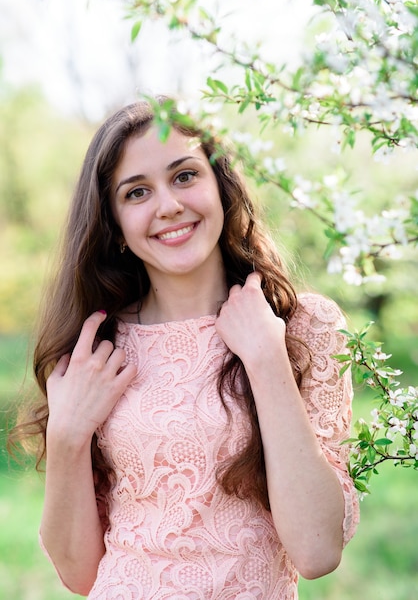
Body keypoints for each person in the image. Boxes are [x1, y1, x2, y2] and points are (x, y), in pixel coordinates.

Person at [19, 98, 359, 599]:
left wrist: (265, 357)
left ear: (221, 188)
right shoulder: (96, 351)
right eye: (137, 192)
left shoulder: (302, 325)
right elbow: (80, 576)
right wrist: (69, 434)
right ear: (113, 226)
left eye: (184, 176)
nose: (169, 205)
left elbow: (316, 550)